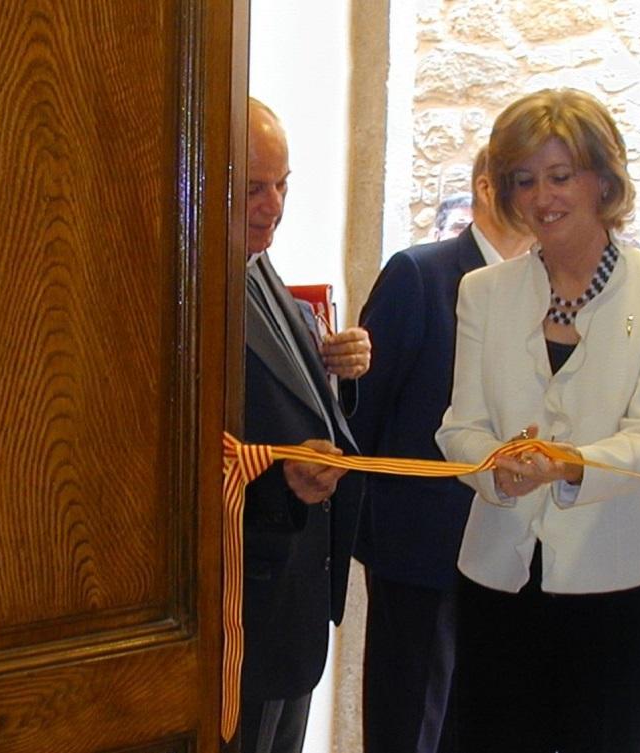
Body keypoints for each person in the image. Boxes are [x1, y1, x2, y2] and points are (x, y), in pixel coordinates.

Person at [435, 88, 640, 753]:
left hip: (623, 582)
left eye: (560, 176)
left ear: (603, 181)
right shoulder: (483, 290)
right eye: (522, 180)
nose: (541, 197)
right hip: (500, 577)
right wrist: (498, 467)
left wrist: (570, 465)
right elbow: (459, 427)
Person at [351, 145, 531, 753]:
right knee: (409, 726)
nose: (538, 198)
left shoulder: (538, 287)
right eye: (521, 181)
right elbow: (363, 417)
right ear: (485, 187)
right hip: (422, 552)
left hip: (507, 551)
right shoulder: (420, 275)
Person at [240, 97, 372, 753]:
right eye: (255, 187)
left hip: (292, 593)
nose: (275, 205)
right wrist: (279, 465)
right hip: (244, 600)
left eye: (283, 183)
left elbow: (290, 404)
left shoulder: (260, 266)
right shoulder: (182, 286)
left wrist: (338, 373)